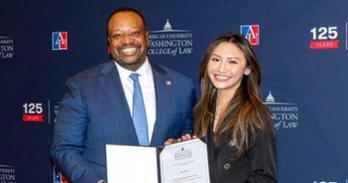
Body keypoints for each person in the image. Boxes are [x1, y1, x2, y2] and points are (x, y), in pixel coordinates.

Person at [50, 7, 195, 183]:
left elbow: (186, 140)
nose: (127, 41)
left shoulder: (181, 86)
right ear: (109, 42)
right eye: (118, 35)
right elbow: (64, 148)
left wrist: (180, 144)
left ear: (147, 37)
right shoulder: (82, 86)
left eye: (134, 33)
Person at [193, 33, 277, 183]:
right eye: (215, 60)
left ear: (247, 69)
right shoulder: (199, 112)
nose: (221, 68)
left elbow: (265, 178)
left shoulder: (256, 114)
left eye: (232, 62)